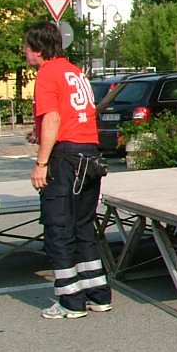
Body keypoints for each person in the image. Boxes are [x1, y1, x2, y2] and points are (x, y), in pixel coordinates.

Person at [24, 21, 112, 320]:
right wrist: (41, 134)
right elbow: (74, 114)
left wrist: (41, 162)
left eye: (27, 47)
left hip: (66, 159)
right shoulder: (74, 71)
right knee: (83, 227)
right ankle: (98, 293)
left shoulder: (47, 73)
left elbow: (52, 118)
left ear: (38, 49)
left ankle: (70, 300)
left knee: (58, 228)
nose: (25, 52)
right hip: (89, 153)